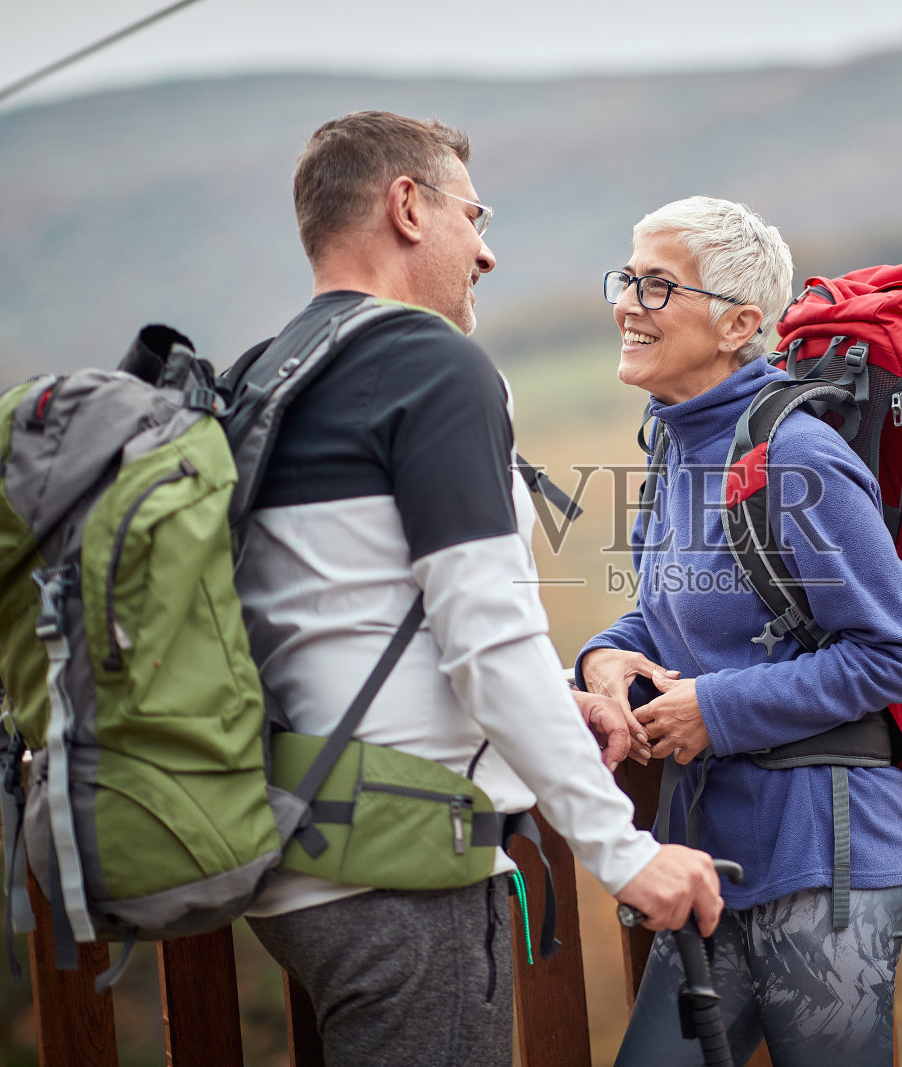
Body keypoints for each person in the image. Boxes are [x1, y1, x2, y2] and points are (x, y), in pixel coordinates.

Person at [234, 111, 723, 1067]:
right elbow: (486, 632)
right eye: (475, 214)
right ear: (407, 207)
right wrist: (623, 851)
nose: (486, 252)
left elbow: (348, 615)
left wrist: (555, 703)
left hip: (295, 855)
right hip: (402, 868)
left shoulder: (265, 374)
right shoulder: (430, 364)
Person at [578, 196, 902, 1066]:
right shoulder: (676, 447)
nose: (627, 302)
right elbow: (672, 612)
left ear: (740, 323)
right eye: (627, 277)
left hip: (822, 860)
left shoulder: (797, 457)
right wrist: (607, 655)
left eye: (658, 286)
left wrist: (719, 708)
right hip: (712, 857)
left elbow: (896, 650)